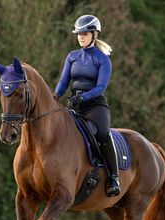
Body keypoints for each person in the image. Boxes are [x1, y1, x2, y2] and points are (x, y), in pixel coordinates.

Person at [54, 15, 120, 197]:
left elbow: (100, 88)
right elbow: (63, 81)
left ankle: (114, 177)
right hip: (74, 105)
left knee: (102, 134)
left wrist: (82, 98)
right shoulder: (72, 56)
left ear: (94, 35)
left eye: (84, 33)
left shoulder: (103, 59)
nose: (81, 37)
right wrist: (56, 95)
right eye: (78, 34)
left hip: (95, 106)